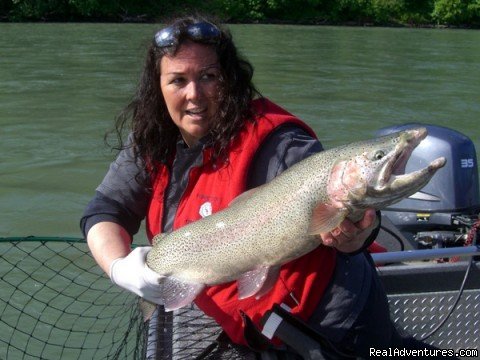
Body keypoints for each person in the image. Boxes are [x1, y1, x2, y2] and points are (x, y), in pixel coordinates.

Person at [81, 15, 432, 359]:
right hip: (245, 323)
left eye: (209, 76)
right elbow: (105, 210)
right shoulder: (151, 140)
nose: (194, 95)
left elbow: (357, 228)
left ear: (230, 79)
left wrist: (358, 234)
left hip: (332, 324)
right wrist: (119, 267)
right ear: (158, 86)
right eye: (177, 80)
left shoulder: (282, 143)